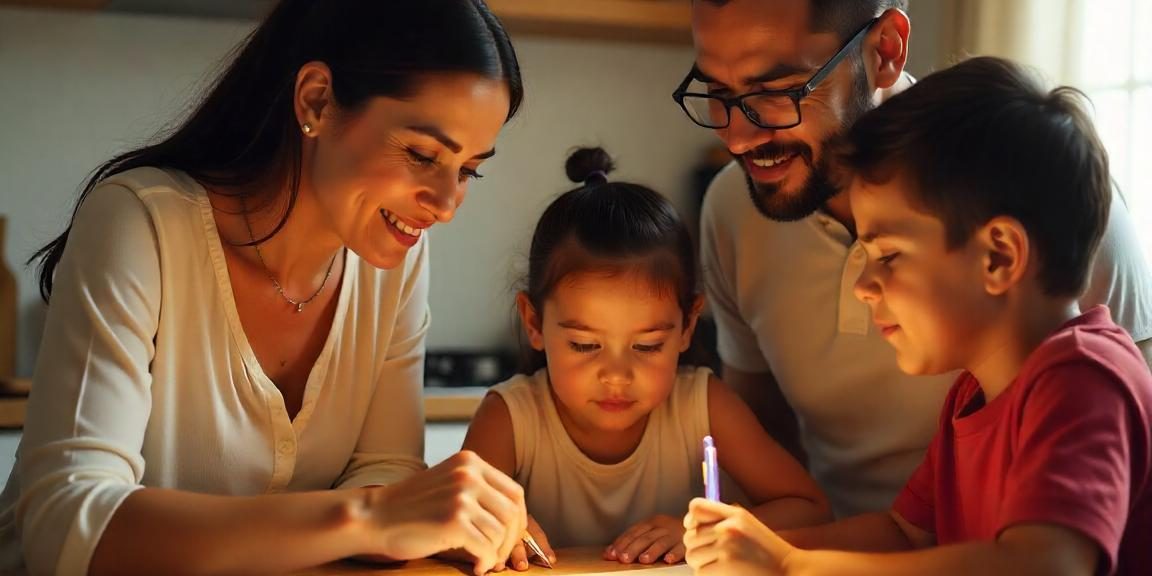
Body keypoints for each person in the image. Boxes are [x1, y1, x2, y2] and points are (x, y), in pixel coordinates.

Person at [0, 1, 531, 574]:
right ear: (316, 101)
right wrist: (372, 517)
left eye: (469, 170)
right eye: (423, 155)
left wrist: (416, 516)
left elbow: (386, 470)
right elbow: (66, 524)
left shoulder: (396, 257)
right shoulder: (140, 222)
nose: (448, 205)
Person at [680, 0, 1152, 517]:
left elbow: (1134, 454)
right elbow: (765, 446)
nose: (738, 138)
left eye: (777, 92)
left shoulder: (1042, 199)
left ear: (885, 50)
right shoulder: (732, 207)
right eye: (719, 95)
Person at [462, 148, 830, 571]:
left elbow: (809, 508)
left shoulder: (704, 406)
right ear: (534, 322)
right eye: (584, 345)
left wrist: (700, 532)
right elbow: (453, 527)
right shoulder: (509, 419)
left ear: (688, 325)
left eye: (648, 345)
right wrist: (494, 530)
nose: (616, 375)